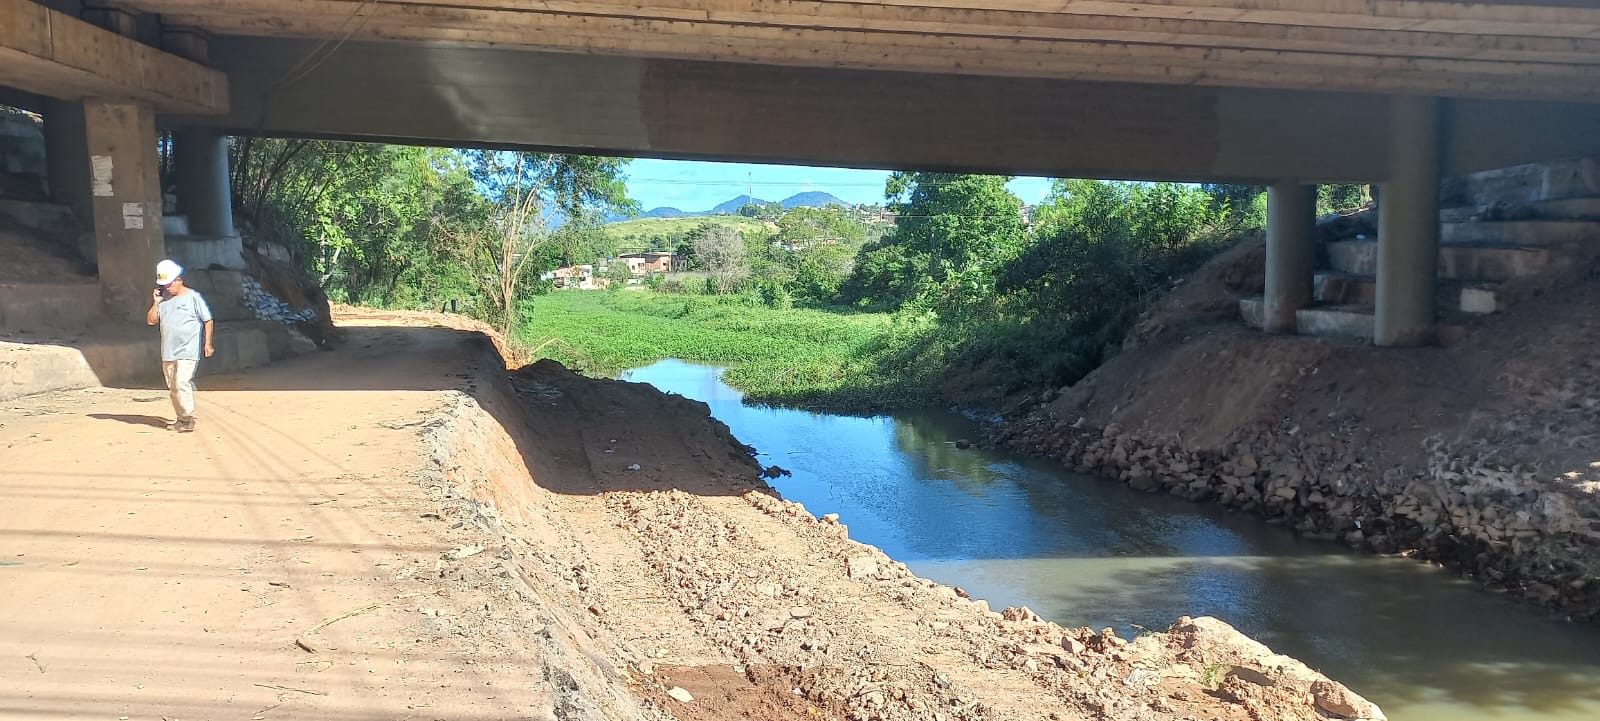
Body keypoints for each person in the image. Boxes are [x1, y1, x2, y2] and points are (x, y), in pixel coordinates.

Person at [146, 259, 214, 432]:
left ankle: (188, 418)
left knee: (181, 382)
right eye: (164, 284)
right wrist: (155, 302)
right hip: (168, 351)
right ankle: (181, 418)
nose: (167, 287)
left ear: (179, 279)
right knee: (173, 386)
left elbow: (208, 320)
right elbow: (151, 321)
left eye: (169, 283)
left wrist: (208, 343)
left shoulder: (193, 297)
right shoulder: (163, 301)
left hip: (188, 350)